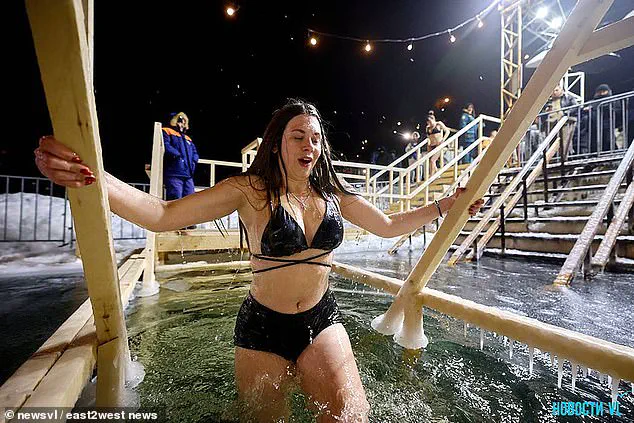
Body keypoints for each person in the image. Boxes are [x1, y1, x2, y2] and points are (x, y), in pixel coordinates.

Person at [34, 99, 483, 422]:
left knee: (351, 416)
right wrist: (92, 177)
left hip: (322, 320)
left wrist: (447, 205)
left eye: (315, 138)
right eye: (297, 136)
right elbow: (162, 215)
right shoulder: (249, 191)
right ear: (277, 144)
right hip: (262, 329)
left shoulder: (332, 194)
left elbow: (387, 225)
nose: (309, 145)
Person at [162, 112, 199, 201]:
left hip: (188, 175)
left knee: (190, 199)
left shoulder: (187, 138)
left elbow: (195, 152)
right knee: (175, 198)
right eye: (180, 120)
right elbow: (165, 146)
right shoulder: (166, 131)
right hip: (173, 173)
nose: (182, 123)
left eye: (184, 121)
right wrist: (177, 156)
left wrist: (194, 161)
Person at [543, 85, 578, 158]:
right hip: (550, 123)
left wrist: (565, 113)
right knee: (551, 142)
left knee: (564, 141)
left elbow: (575, 107)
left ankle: (564, 158)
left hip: (564, 122)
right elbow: (542, 112)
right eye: (553, 91)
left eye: (556, 90)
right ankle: (553, 158)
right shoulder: (548, 102)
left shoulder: (568, 98)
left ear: (561, 90)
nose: (554, 92)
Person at [426, 110, 450, 175]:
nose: (429, 123)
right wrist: (428, 145)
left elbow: (447, 131)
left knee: (432, 160)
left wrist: (443, 140)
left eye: (430, 121)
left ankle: (431, 176)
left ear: (433, 119)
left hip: (439, 144)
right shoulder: (427, 127)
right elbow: (428, 137)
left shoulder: (438, 124)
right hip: (431, 145)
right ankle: (437, 173)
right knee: (430, 161)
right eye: (428, 122)